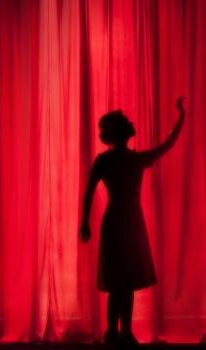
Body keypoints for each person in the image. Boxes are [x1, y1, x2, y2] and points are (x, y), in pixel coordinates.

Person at [79, 97, 186, 346]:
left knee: (124, 282)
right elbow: (88, 191)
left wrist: (85, 222)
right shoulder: (120, 160)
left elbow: (88, 192)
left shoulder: (111, 160)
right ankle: (116, 332)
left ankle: (119, 332)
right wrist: (84, 222)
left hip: (126, 222)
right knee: (122, 282)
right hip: (124, 223)